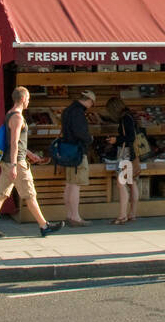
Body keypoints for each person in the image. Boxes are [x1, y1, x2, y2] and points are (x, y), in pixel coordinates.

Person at [0, 87, 63, 239]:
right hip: (16, 163)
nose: (28, 101)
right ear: (22, 99)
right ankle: (44, 226)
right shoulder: (17, 118)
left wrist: (29, 153)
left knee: (1, 195)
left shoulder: (9, 115)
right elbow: (13, 143)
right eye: (28, 98)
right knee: (29, 194)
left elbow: (17, 142)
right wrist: (14, 165)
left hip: (8, 161)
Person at [59, 90, 95, 226]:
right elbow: (80, 132)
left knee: (69, 184)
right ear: (89, 101)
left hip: (67, 150)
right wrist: (89, 139)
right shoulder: (78, 112)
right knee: (75, 185)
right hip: (78, 151)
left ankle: (69, 215)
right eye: (92, 104)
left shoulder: (67, 110)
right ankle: (75, 217)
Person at [102, 95, 140, 224]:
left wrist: (116, 140)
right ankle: (132, 214)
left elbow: (130, 137)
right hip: (132, 155)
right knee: (131, 182)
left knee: (121, 183)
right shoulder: (130, 116)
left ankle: (122, 215)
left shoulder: (125, 119)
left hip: (125, 155)